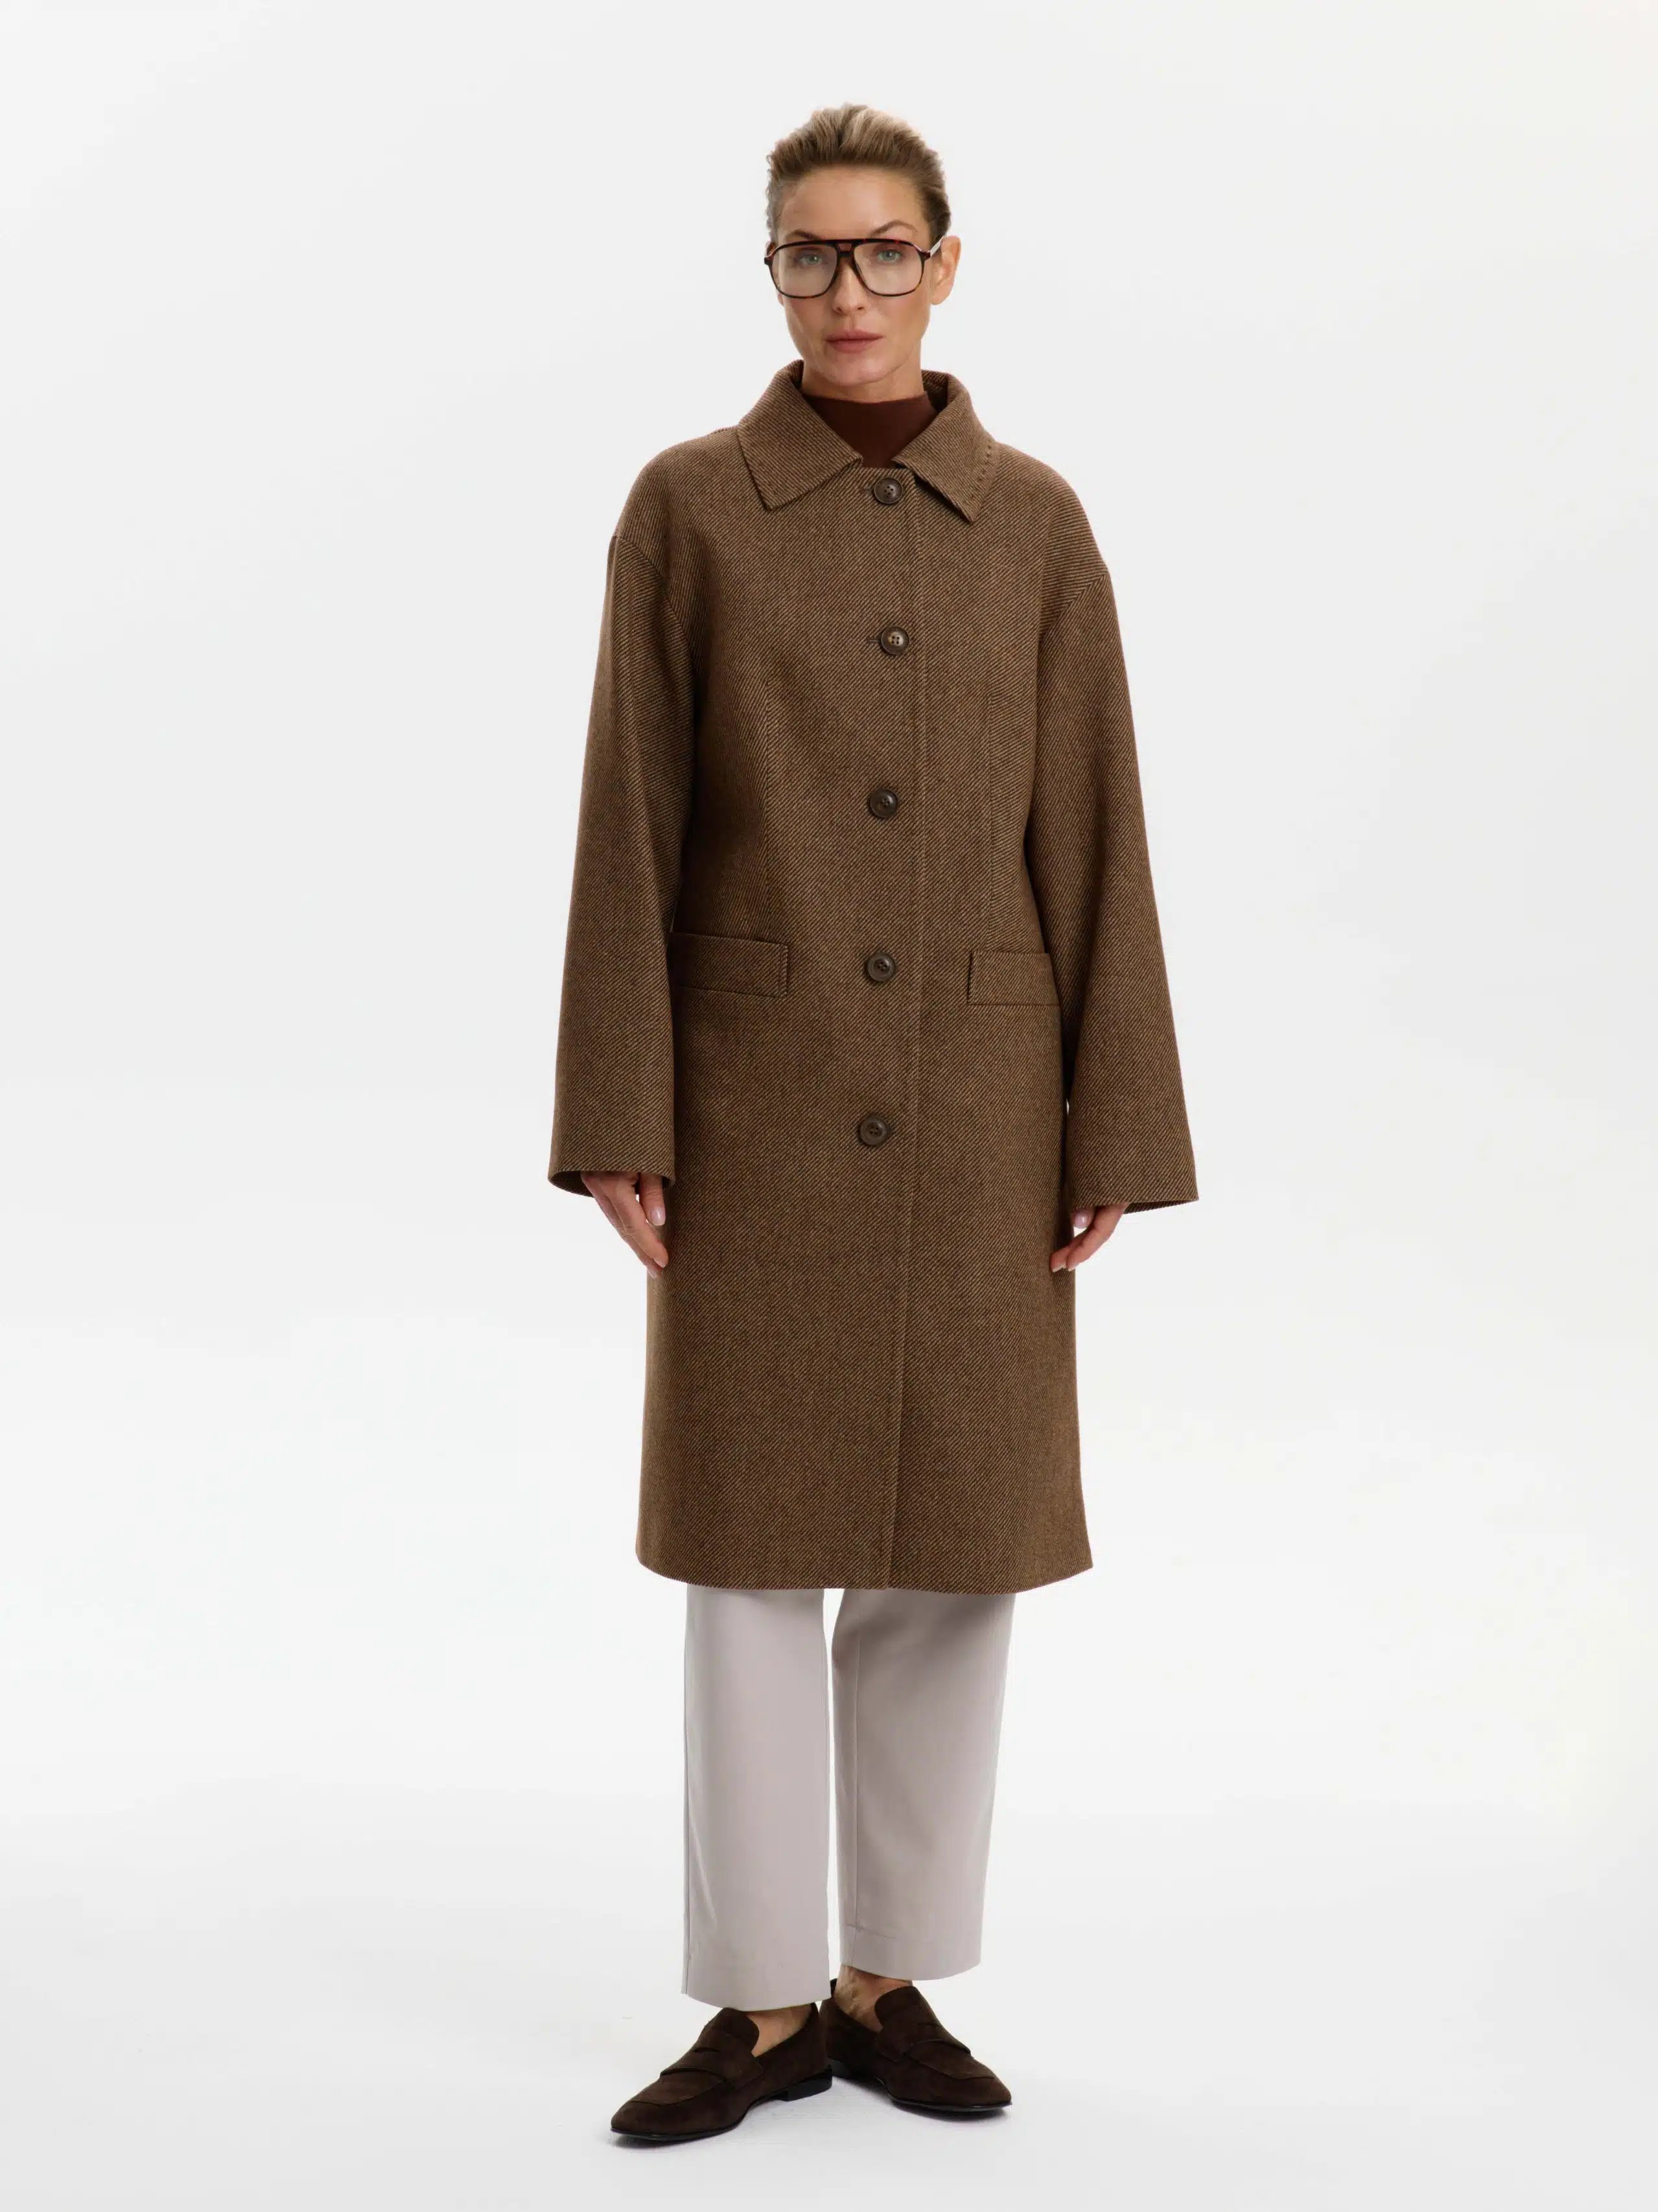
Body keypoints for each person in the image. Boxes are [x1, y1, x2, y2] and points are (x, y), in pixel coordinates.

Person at [546, 101, 1198, 2143]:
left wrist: (1113, 1114)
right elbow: (629, 818)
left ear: (945, 264)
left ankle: (884, 1979)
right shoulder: (689, 510)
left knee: (951, 1556)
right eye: (810, 253)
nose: (849, 289)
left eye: (884, 250)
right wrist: (620, 1102)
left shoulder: (1039, 526)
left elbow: (1096, 824)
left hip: (987, 1109)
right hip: (749, 1101)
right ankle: (757, 2004)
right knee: (750, 1555)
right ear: (771, 271)